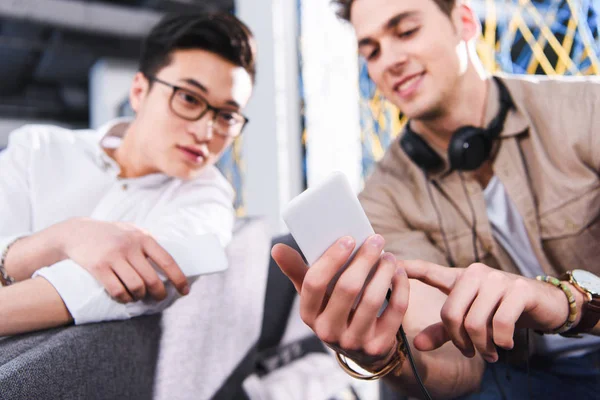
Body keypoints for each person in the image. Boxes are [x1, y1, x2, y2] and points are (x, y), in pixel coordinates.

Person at [273, 0, 600, 398]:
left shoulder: (587, 112)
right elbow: (459, 372)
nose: (388, 61)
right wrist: (385, 359)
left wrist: (565, 302)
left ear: (463, 21)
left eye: (406, 31)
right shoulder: (381, 201)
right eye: (371, 50)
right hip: (520, 379)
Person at [0, 11, 255, 337]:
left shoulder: (208, 201)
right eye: (189, 99)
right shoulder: (36, 148)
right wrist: (62, 238)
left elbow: (124, 283)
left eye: (228, 116)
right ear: (138, 92)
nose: (206, 131)